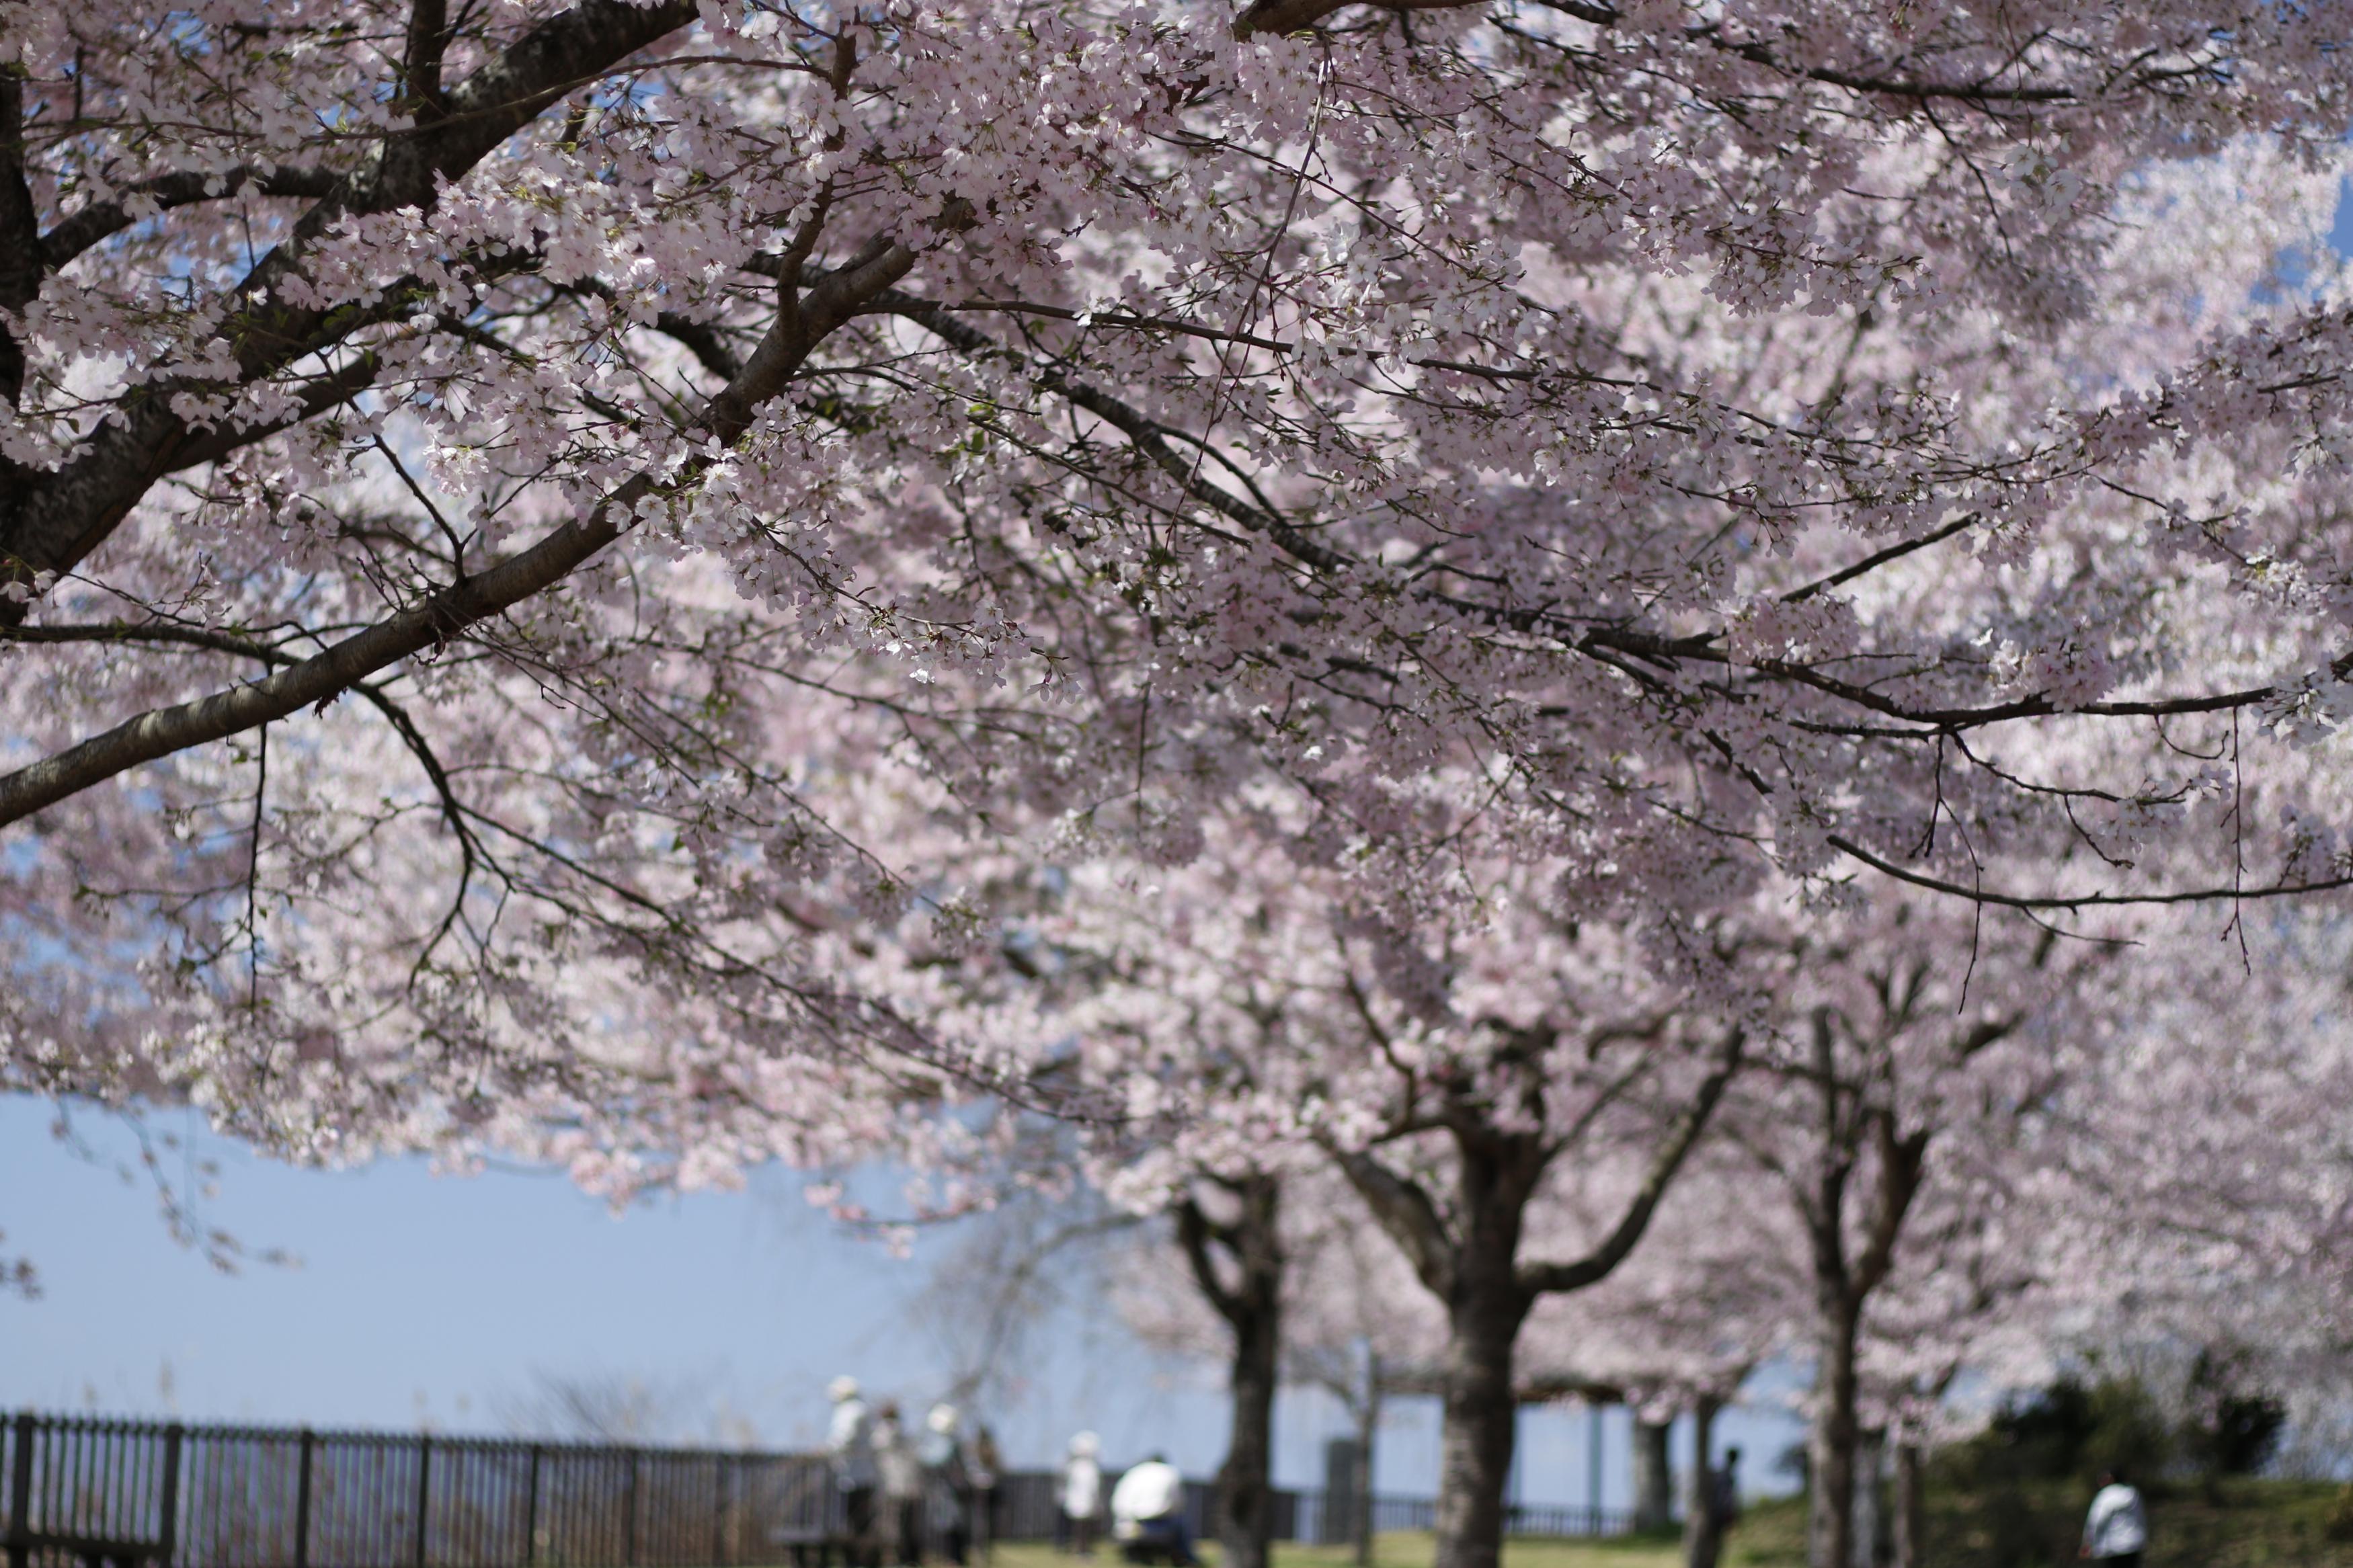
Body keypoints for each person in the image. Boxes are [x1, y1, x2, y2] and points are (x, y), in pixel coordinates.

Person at [828, 1378, 882, 1568]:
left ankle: (857, 1562)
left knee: (855, 1525)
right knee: (862, 1524)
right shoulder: (863, 1409)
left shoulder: (851, 1411)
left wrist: (828, 1450)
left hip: (854, 1478)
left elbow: (843, 1438)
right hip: (862, 1476)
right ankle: (863, 1561)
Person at [1108, 1452, 1195, 1567]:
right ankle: (1185, 1559)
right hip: (1155, 1523)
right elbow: (1178, 1503)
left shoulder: (1133, 1472)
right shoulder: (1169, 1472)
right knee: (1180, 1522)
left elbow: (1117, 1502)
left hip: (1125, 1522)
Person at [919, 1403, 974, 1567]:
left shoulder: (950, 1442)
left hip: (950, 1492)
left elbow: (936, 1460)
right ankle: (950, 1558)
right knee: (945, 1525)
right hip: (943, 1491)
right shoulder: (942, 1441)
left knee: (952, 1525)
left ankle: (955, 1559)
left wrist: (921, 1453)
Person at [875, 1400, 925, 1567]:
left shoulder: (884, 1432)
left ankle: (896, 1560)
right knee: (906, 1527)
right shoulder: (904, 1434)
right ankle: (906, 1560)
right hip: (907, 1487)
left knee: (894, 1528)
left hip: (894, 1487)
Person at [2081, 1469, 2147, 1567]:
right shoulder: (2133, 1493)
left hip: (2114, 1547)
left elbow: (2096, 1521)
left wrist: (2088, 1542)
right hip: (2134, 1544)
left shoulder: (2105, 1495)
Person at [1060, 1432, 1103, 1557]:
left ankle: (1082, 1549)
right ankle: (1081, 1549)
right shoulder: (1087, 1467)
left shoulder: (1076, 1466)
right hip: (1083, 1501)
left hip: (1081, 1501)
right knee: (1082, 1528)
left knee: (1081, 1528)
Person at [969, 1423, 1003, 1563]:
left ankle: (985, 1549)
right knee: (982, 1521)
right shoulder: (975, 1449)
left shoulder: (989, 1450)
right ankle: (981, 1550)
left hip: (988, 1487)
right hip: (980, 1488)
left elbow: (998, 1466)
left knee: (987, 1521)